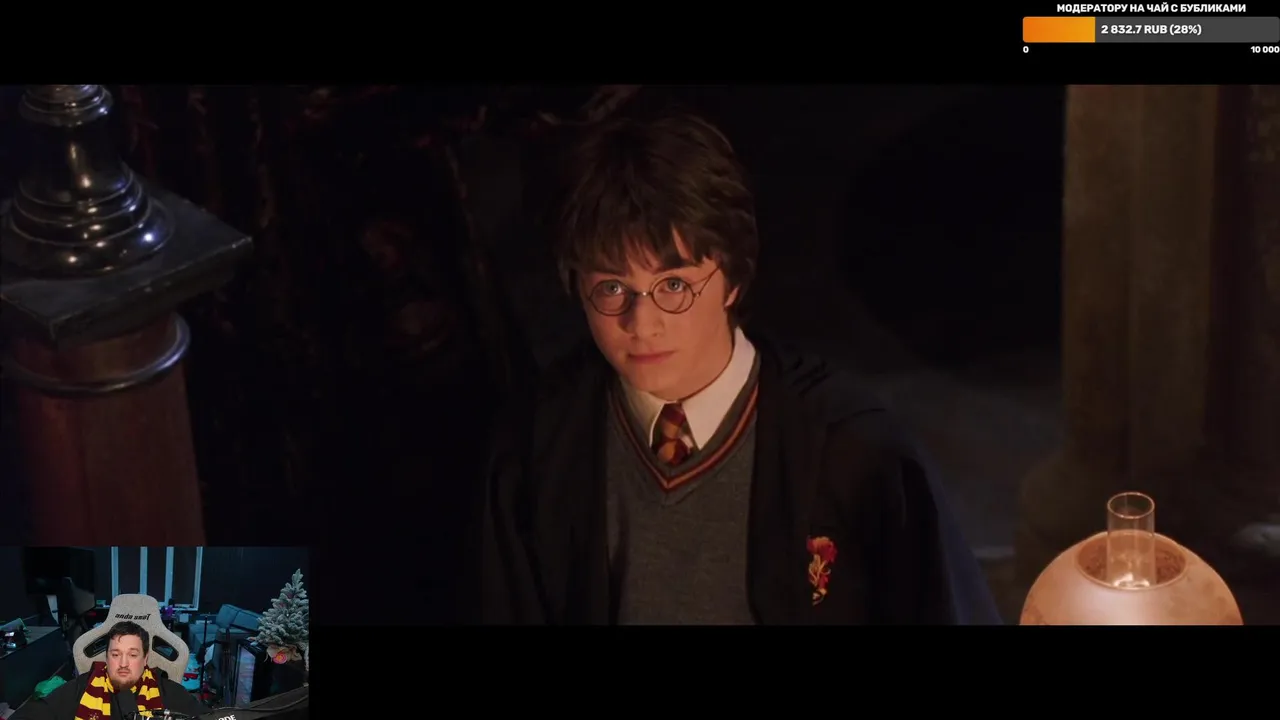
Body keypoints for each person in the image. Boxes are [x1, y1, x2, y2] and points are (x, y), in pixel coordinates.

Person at [478, 104, 1002, 625]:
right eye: (612, 288)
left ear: (732, 280)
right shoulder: (540, 446)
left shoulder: (852, 450)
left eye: (674, 285)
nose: (642, 323)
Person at [12, 620, 207, 719]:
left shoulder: (167, 691)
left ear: (145, 659)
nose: (123, 663)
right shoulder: (82, 687)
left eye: (132, 655)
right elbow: (31, 714)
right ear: (106, 658)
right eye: (115, 654)